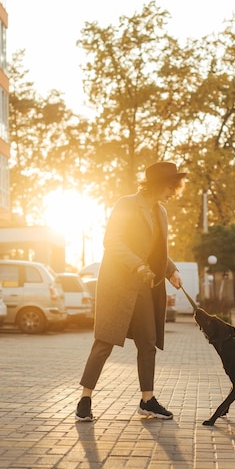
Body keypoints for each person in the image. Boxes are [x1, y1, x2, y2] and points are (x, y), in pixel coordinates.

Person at [75, 161, 187, 422]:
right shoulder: (126, 204)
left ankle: (147, 401)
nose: (174, 192)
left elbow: (158, 250)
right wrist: (137, 265)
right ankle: (85, 398)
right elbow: (112, 241)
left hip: (146, 287)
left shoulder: (160, 212)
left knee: (147, 343)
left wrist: (171, 270)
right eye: (171, 187)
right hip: (119, 284)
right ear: (159, 185)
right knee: (104, 341)